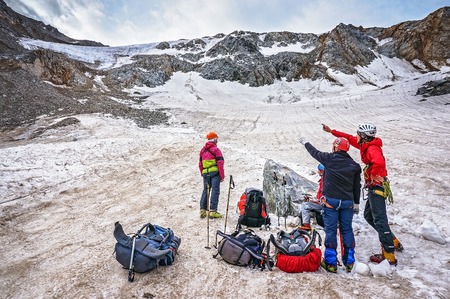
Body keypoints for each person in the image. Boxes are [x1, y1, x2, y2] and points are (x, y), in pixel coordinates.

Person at [322, 123, 403, 266]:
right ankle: (392, 240)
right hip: (373, 187)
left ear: (364, 137)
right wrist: (331, 131)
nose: (356, 136)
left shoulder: (372, 148)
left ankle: (389, 254)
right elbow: (348, 138)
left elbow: (378, 162)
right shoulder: (365, 145)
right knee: (369, 216)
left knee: (379, 219)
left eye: (358, 134)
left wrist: (373, 175)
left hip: (377, 187)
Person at [299, 136, 361, 273]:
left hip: (331, 202)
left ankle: (331, 263)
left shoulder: (329, 159)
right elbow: (357, 187)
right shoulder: (354, 166)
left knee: (331, 231)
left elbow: (314, 152)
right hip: (347, 203)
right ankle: (350, 262)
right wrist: (356, 203)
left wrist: (306, 142)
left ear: (336, 147)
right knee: (347, 230)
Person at [198, 131, 225, 219]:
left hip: (205, 173)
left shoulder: (203, 150)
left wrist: (203, 173)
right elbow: (220, 163)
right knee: (215, 191)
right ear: (215, 139)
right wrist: (222, 175)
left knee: (205, 190)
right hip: (215, 173)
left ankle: (203, 210)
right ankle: (213, 211)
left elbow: (200, 164)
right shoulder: (216, 150)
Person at [300, 163, 325, 230]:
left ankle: (306, 225)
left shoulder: (324, 181)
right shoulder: (326, 180)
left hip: (324, 205)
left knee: (305, 205)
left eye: (319, 170)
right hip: (327, 204)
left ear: (322, 171)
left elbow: (322, 199)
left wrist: (313, 201)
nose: (318, 172)